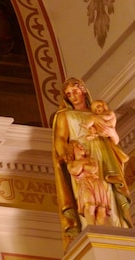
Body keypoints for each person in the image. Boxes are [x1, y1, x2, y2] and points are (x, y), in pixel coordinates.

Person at [52, 78, 133, 247]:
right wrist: (66, 154)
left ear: (83, 90)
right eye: (68, 94)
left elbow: (114, 141)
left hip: (103, 156)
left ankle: (115, 226)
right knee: (87, 197)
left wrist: (111, 132)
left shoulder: (99, 114)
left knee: (107, 192)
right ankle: (91, 228)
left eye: (75, 91)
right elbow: (60, 138)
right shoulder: (65, 115)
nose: (73, 96)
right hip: (81, 156)